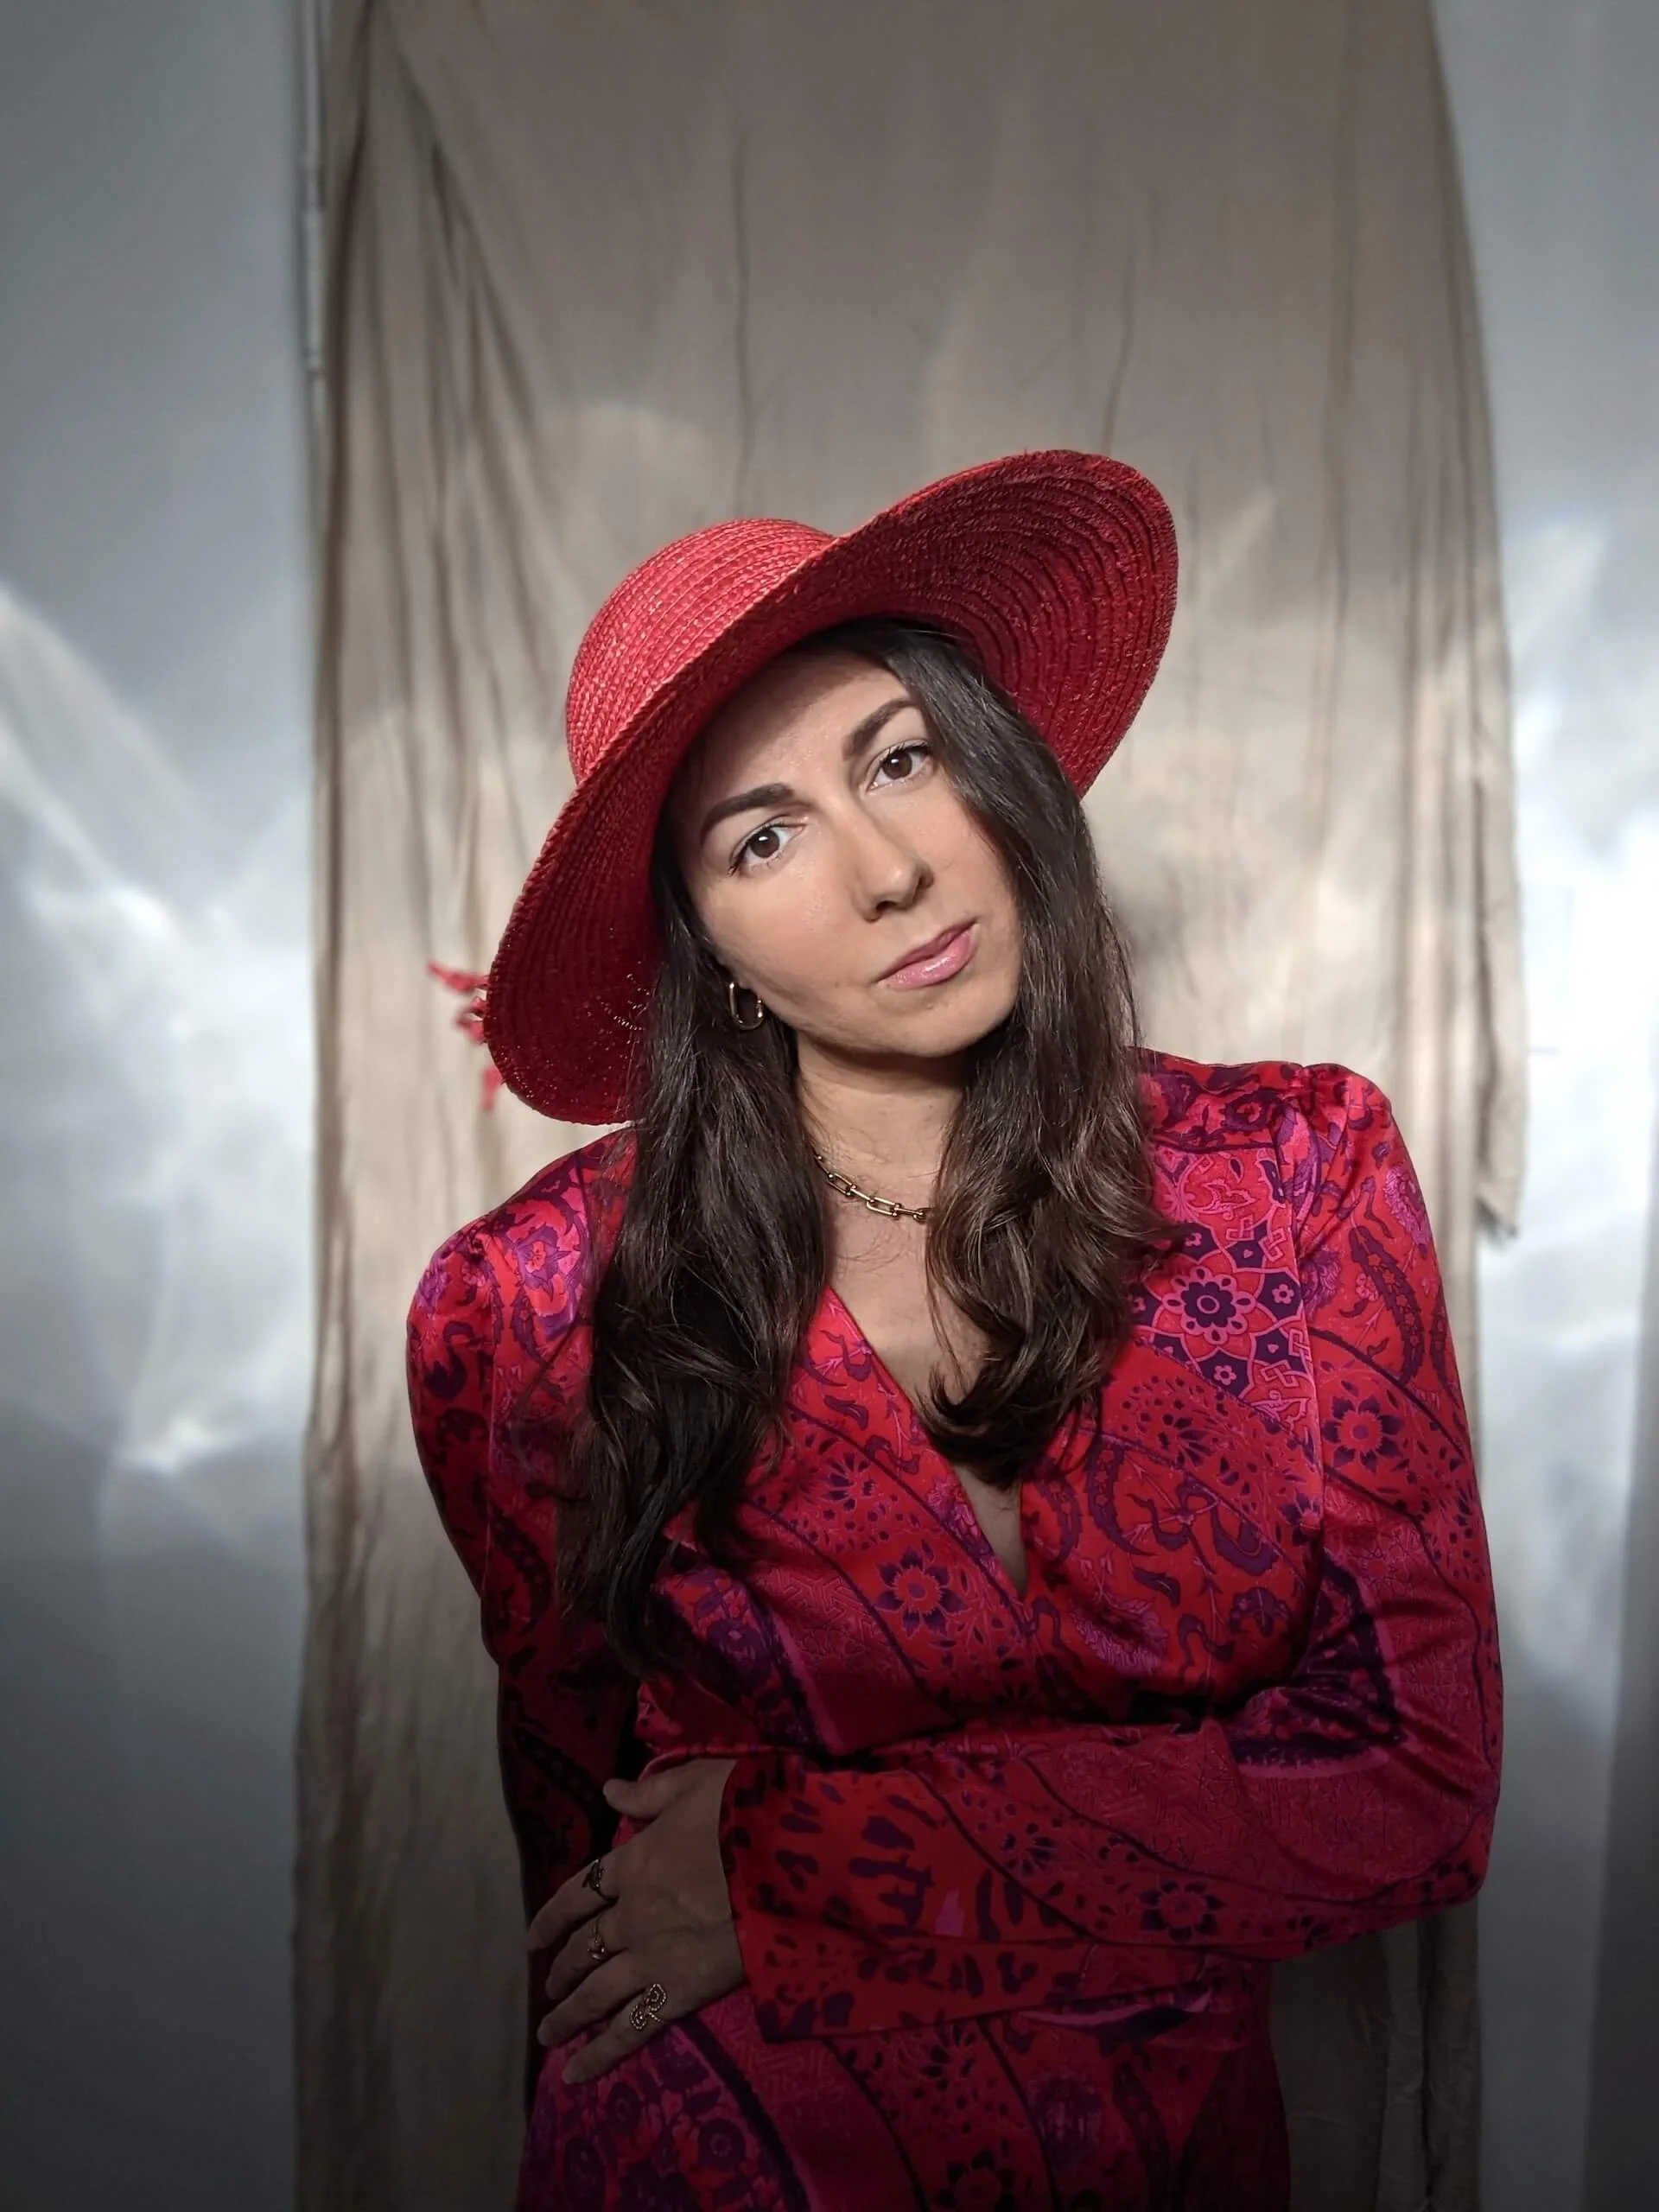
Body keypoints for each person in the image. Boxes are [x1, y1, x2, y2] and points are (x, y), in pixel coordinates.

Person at [407, 450, 1501, 2210]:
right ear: (715, 951)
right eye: (764, 835)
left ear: (997, 773)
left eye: (900, 758)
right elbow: (599, 1875)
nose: (891, 871)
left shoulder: (1296, 1177)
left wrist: (793, 1872)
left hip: (1172, 2151)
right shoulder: (529, 1306)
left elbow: (1416, 1784)